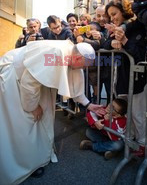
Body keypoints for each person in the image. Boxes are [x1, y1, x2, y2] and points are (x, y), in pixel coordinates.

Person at [0, 40, 105, 185]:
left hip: (33, 85)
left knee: (43, 118)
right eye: (85, 65)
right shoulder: (55, 54)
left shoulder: (73, 56)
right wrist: (32, 107)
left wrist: (88, 104)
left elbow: (74, 81)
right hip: (16, 82)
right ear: (79, 58)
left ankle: (39, 157)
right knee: (25, 124)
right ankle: (23, 165)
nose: (84, 69)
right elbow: (29, 83)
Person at [103, 0, 147, 157]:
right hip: (121, 79)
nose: (112, 18)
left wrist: (124, 40)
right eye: (110, 15)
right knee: (127, 113)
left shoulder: (137, 26)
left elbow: (140, 54)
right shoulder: (115, 28)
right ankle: (132, 141)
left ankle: (144, 145)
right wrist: (114, 40)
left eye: (114, 13)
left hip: (137, 80)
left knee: (138, 114)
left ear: (124, 10)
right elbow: (105, 46)